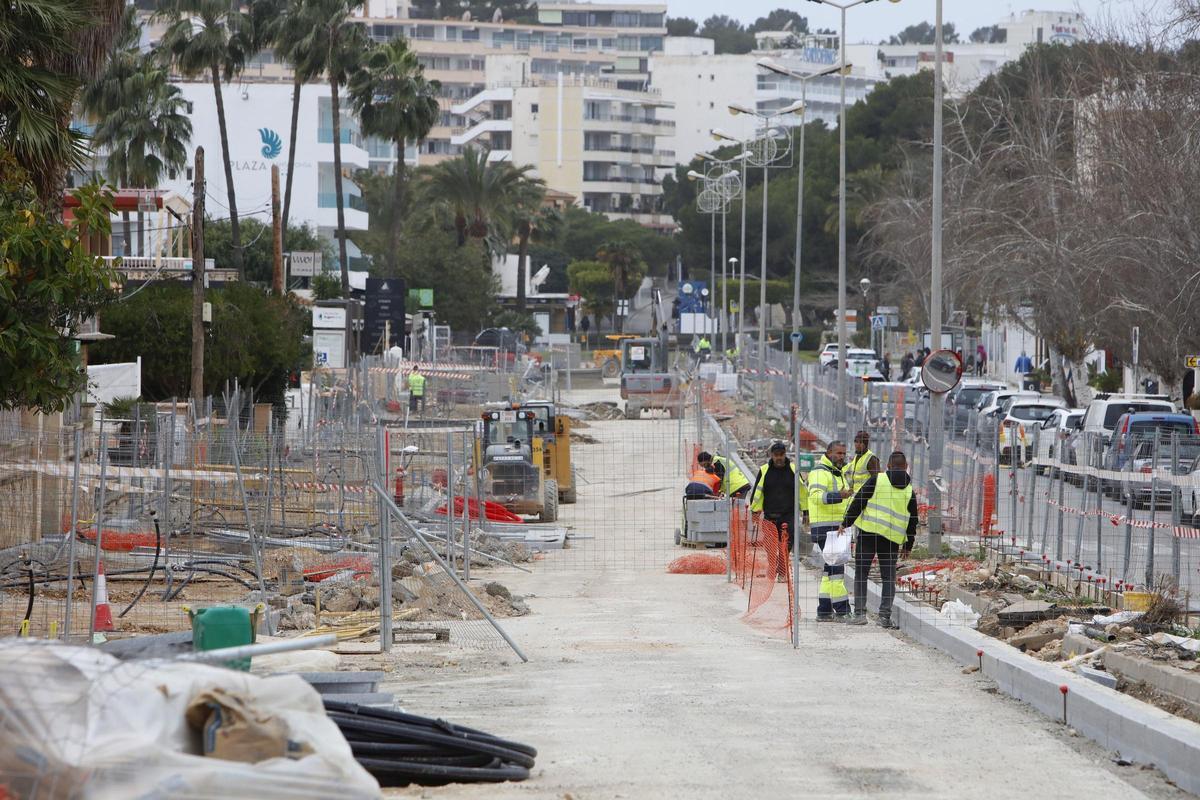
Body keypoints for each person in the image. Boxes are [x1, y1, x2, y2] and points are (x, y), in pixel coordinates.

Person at [840, 450, 918, 628]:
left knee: (861, 573)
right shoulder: (909, 490)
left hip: (868, 534)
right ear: (906, 467)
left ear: (888, 466)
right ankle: (884, 617)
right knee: (888, 578)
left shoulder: (877, 480)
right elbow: (913, 519)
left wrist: (845, 523)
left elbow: (859, 501)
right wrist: (908, 544)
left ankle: (860, 613)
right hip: (891, 539)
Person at [807, 440, 854, 620]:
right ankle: (843, 610)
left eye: (843, 453)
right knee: (836, 570)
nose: (841, 457)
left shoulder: (837, 473)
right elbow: (816, 497)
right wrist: (839, 496)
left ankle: (824, 610)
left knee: (830, 570)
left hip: (835, 529)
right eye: (838, 453)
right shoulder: (820, 473)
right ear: (828, 452)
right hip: (825, 528)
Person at [750, 442, 801, 571]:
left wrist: (805, 512)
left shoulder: (794, 470)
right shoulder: (764, 470)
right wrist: (755, 512)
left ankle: (782, 569)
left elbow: (803, 492)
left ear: (785, 454)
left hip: (788, 515)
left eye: (781, 454)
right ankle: (773, 565)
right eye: (776, 455)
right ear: (771, 455)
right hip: (770, 514)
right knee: (770, 546)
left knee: (786, 544)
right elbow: (757, 492)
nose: (779, 458)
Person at [846, 431, 880, 495]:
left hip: (864, 497)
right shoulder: (857, 456)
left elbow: (877, 481)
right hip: (855, 496)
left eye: (861, 442)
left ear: (865, 444)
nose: (857, 444)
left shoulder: (871, 459)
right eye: (856, 441)